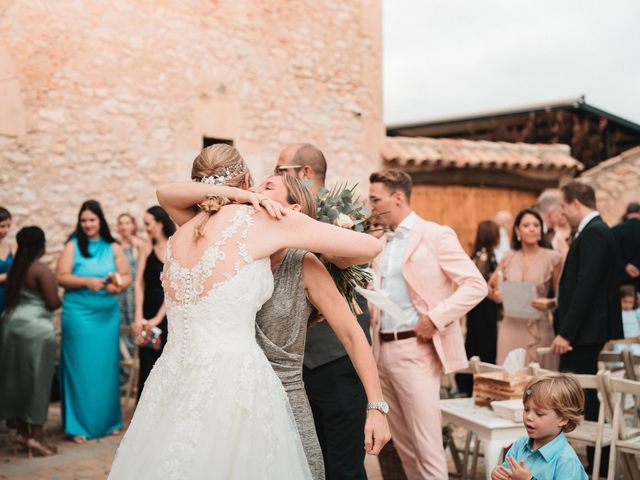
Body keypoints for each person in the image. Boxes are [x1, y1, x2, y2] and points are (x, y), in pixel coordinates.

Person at [108, 144, 387, 479]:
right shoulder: (229, 226)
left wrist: (313, 240)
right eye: (257, 186)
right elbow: (167, 193)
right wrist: (241, 197)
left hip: (192, 380)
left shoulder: (200, 231)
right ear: (246, 182)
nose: (258, 193)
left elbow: (355, 320)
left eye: (268, 189)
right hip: (228, 382)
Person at [368, 169, 487, 479]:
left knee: (427, 445)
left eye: (375, 199)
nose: (371, 206)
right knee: (404, 446)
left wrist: (435, 318)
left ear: (398, 197)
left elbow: (476, 285)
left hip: (416, 350)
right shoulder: (379, 240)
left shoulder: (436, 235)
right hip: (381, 351)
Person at [276, 143, 373, 479]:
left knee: (343, 464)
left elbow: (356, 258)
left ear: (305, 173)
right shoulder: (275, 216)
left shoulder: (345, 217)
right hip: (291, 360)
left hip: (335, 356)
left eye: (281, 171)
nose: (275, 177)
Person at [551, 181, 623, 476]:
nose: (562, 212)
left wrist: (566, 332)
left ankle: (599, 465)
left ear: (576, 203)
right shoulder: (593, 231)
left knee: (585, 398)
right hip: (586, 331)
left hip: (583, 334)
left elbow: (586, 287)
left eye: (564, 205)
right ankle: (594, 462)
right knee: (582, 397)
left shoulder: (594, 232)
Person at [56, 200, 131, 442]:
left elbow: (127, 276)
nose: (88, 224)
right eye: (84, 220)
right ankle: (78, 426)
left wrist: (116, 286)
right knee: (80, 369)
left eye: (92, 219)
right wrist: (86, 282)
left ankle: (109, 421)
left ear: (100, 220)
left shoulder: (113, 247)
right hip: (79, 315)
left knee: (105, 369)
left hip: (107, 316)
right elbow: (62, 277)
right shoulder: (73, 245)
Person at [0, 226, 60, 457]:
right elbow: (53, 303)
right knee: (38, 382)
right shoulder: (40, 269)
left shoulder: (15, 267)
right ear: (41, 245)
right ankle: (38, 438)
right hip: (36, 330)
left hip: (11, 325)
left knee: (18, 381)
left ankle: (22, 433)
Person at [491, 208, 562, 367]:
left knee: (539, 383)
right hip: (510, 326)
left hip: (539, 326)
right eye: (526, 225)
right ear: (517, 230)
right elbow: (490, 285)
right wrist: (496, 294)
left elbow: (562, 295)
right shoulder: (508, 256)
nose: (532, 229)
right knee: (509, 379)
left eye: (536, 225)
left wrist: (551, 303)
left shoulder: (553, 257)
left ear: (541, 230)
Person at [491, 374, 588, 480]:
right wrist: (499, 475)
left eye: (539, 413)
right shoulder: (519, 445)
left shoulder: (567, 461)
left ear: (563, 419)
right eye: (526, 409)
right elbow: (506, 472)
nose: (529, 417)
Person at [132, 206, 175, 400]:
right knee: (146, 363)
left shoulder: (175, 247)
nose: (146, 228)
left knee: (166, 362)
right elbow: (139, 283)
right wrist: (139, 316)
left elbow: (174, 286)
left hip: (169, 313)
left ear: (160, 223)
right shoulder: (145, 248)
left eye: (148, 224)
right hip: (148, 312)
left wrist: (158, 317)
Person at [456, 220, 501, 396]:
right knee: (483, 346)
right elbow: (480, 282)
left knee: (475, 342)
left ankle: (470, 385)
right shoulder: (483, 256)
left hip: (477, 309)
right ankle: (473, 386)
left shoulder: (477, 254)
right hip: (483, 309)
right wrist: (494, 296)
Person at [116, 213, 147, 376]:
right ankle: (125, 375)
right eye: (121, 223)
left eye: (127, 222)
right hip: (121, 295)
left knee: (136, 332)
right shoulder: (116, 247)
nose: (124, 226)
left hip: (136, 293)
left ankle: (136, 375)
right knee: (122, 333)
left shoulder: (140, 245)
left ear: (133, 225)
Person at [612, 201, 640, 290]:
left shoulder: (615, 230)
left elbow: (612, 252)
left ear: (627, 213)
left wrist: (626, 266)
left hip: (622, 278)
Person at [0, 207, 14, 314]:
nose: (6, 230)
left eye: (8, 226)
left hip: (8, 297)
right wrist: (9, 276)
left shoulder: (11, 247)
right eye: (2, 226)